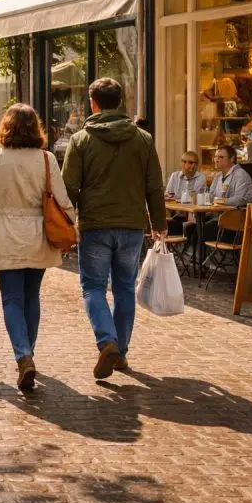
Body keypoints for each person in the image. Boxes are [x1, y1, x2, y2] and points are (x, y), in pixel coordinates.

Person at [61, 78, 165, 380]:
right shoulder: (143, 139)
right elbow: (154, 186)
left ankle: (107, 342)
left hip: (95, 225)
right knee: (124, 288)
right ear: (120, 102)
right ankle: (121, 352)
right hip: (132, 225)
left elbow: (70, 188)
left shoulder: (81, 140)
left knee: (93, 287)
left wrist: (67, 224)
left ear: (92, 103)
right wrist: (158, 223)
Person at [0, 104, 75, 390]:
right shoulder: (46, 158)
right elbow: (63, 201)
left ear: (6, 127)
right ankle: (28, 353)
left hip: (6, 235)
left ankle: (23, 355)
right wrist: (71, 230)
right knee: (32, 296)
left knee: (13, 299)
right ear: (35, 128)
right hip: (39, 235)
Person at [165, 150, 207, 235]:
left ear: (196, 165)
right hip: (176, 214)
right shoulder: (175, 175)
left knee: (188, 225)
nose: (186, 165)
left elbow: (193, 199)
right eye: (184, 162)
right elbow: (168, 195)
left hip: (193, 216)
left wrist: (187, 176)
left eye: (190, 162)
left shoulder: (201, 178)